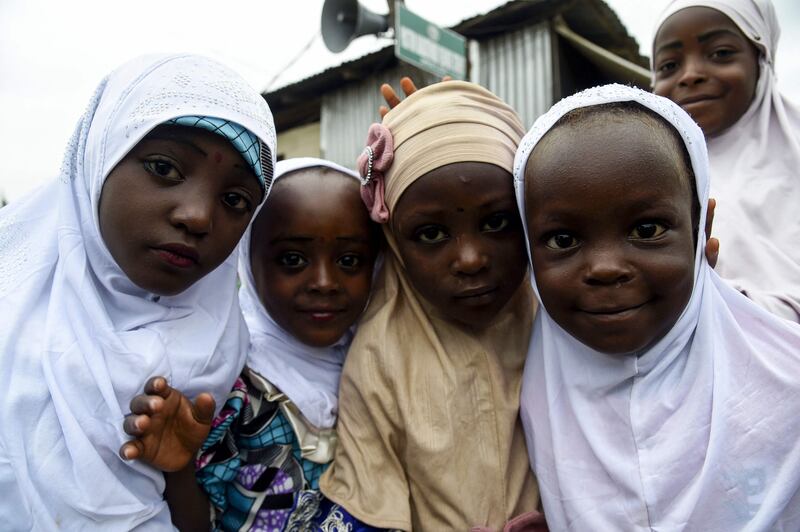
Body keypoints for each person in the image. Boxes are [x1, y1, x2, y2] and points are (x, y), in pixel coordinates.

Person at [0, 53, 276, 529]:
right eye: (164, 168)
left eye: (235, 200)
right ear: (98, 158)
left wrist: (179, 470)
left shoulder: (231, 361)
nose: (198, 216)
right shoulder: (12, 321)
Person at [514, 83, 800, 530]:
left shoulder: (787, 386)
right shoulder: (522, 384)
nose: (605, 268)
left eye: (647, 229)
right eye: (563, 240)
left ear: (702, 228)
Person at [319, 81, 544, 531]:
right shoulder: (380, 360)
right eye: (430, 234)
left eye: (498, 222)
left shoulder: (563, 322)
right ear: (394, 245)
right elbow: (369, 507)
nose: (470, 259)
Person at [120, 158, 383, 531]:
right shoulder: (225, 384)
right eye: (292, 259)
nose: (325, 282)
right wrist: (178, 470)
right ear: (245, 260)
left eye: (349, 260)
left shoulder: (382, 369)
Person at [652, 0, 800, 322]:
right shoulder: (641, 176)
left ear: (762, 60)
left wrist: (729, 305)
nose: (690, 75)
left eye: (720, 53)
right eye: (668, 65)